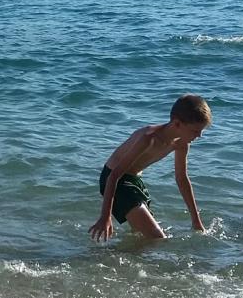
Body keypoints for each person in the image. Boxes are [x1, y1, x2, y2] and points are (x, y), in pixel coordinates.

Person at [90, 94, 212, 241]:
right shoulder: (149, 139)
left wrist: (196, 220)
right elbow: (114, 175)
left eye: (201, 131)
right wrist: (105, 217)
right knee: (157, 238)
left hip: (134, 181)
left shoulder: (182, 143)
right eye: (195, 131)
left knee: (141, 237)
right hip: (115, 180)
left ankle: (113, 260)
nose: (199, 136)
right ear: (177, 123)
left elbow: (181, 178)